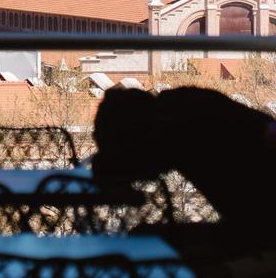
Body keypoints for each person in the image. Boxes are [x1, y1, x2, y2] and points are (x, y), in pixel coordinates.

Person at [92, 85, 276, 242]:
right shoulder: (182, 110)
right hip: (252, 225)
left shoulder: (181, 124)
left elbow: (137, 163)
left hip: (258, 228)